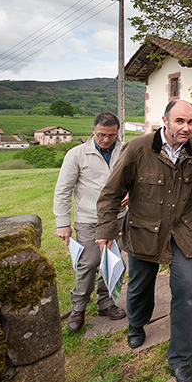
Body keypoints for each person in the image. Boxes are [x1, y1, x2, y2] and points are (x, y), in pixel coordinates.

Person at [96, 100, 192, 382]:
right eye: (180, 121)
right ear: (165, 120)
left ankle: (181, 359)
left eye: (191, 122)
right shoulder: (139, 148)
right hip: (144, 230)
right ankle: (136, 323)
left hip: (184, 232)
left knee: (186, 290)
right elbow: (112, 192)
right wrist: (105, 230)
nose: (186, 128)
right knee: (140, 285)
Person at [53, 113, 127, 332]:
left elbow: (136, 178)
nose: (106, 140)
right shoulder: (76, 154)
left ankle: (105, 303)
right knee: (89, 262)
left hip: (117, 217)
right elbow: (63, 190)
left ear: (118, 133)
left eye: (111, 135)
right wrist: (62, 223)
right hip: (88, 218)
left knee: (111, 260)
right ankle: (78, 307)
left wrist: (130, 194)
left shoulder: (125, 152)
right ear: (93, 130)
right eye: (101, 135)